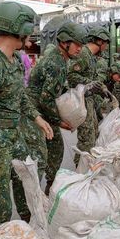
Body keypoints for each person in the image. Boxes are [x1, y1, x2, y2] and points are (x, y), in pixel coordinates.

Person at [0, 1, 53, 237]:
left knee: (28, 186)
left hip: (16, 135)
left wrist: (37, 118)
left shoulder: (15, 60)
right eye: (27, 30)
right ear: (16, 29)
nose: (30, 36)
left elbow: (21, 96)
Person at [28, 21, 86, 191]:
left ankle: (48, 189)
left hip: (39, 112)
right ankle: (44, 193)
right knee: (46, 154)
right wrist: (59, 122)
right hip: (36, 114)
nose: (79, 49)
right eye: (77, 45)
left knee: (52, 151)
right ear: (64, 42)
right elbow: (46, 98)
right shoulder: (57, 63)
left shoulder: (58, 58)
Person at [68, 25, 109, 165]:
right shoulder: (84, 54)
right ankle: (79, 168)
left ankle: (85, 166)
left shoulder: (91, 56)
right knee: (86, 137)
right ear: (101, 41)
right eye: (107, 43)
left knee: (92, 134)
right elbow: (71, 75)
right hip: (82, 102)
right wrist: (90, 83)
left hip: (88, 101)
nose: (107, 47)